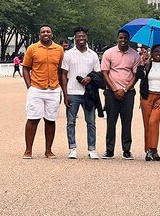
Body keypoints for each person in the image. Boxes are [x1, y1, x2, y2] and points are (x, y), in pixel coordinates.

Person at [22, 25, 64, 159]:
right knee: (32, 119)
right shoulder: (32, 49)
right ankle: (28, 150)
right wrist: (30, 87)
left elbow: (61, 70)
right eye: (43, 32)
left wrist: (62, 91)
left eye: (48, 31)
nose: (46, 33)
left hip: (53, 89)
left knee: (50, 120)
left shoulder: (59, 49)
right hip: (36, 89)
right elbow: (25, 69)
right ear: (39, 34)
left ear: (52, 34)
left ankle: (48, 150)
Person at [61, 26, 101, 160]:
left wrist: (90, 78)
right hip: (73, 92)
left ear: (86, 37)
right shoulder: (68, 54)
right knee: (71, 122)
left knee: (91, 122)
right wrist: (65, 93)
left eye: (83, 36)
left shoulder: (93, 54)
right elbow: (64, 74)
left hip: (89, 93)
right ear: (75, 38)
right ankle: (72, 148)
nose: (81, 38)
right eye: (78, 36)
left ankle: (92, 149)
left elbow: (98, 73)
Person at [101, 30, 141, 160]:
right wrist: (114, 89)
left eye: (125, 38)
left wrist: (124, 89)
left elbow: (136, 76)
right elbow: (105, 73)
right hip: (111, 92)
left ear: (128, 39)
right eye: (121, 38)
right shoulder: (109, 53)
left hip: (128, 92)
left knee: (127, 121)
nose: (123, 40)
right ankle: (109, 149)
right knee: (111, 121)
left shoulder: (135, 55)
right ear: (117, 38)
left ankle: (126, 150)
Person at [136, 44, 160, 161]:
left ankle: (153, 148)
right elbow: (138, 76)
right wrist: (142, 63)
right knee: (147, 124)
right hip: (147, 96)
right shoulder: (147, 66)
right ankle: (149, 150)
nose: (158, 53)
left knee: (154, 121)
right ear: (152, 53)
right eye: (155, 51)